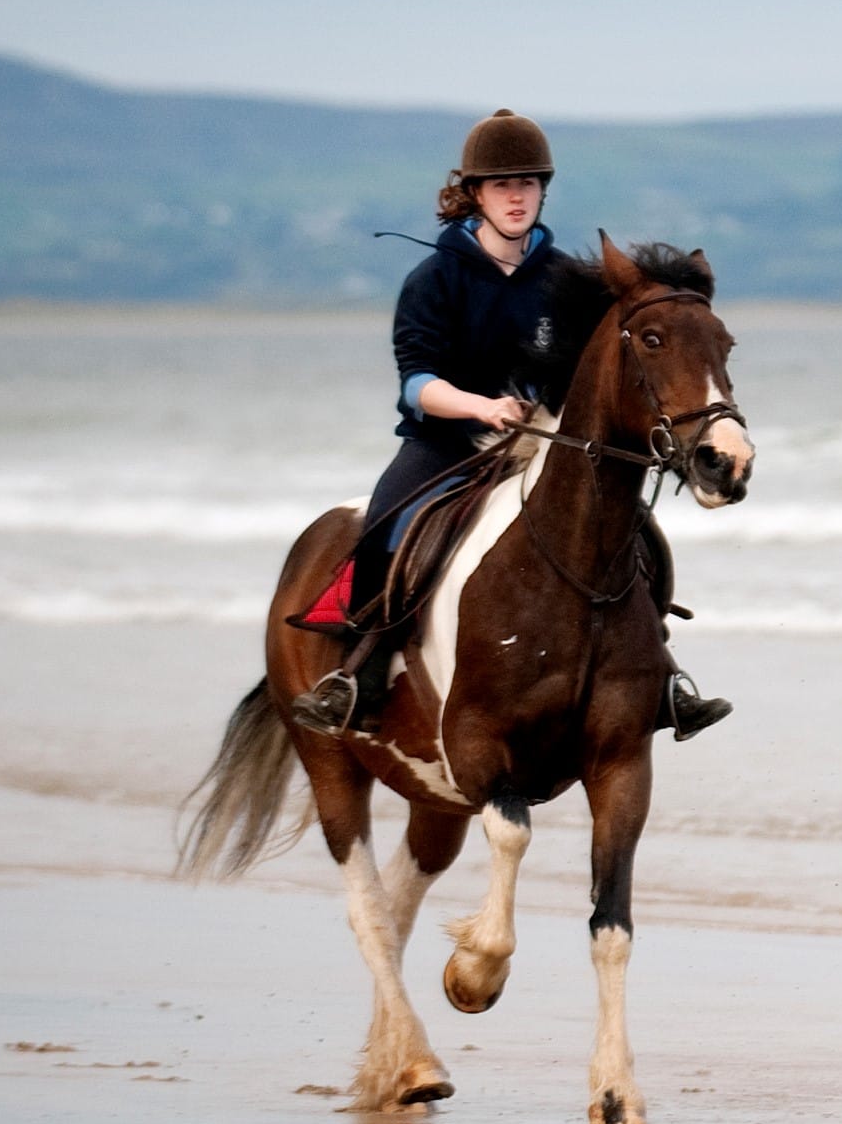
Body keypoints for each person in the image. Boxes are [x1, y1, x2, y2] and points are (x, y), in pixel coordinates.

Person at [288, 108, 731, 744]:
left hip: (546, 439)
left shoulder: (564, 280)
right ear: (475, 195)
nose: (516, 196)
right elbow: (416, 382)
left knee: (638, 532)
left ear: (543, 190)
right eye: (502, 185)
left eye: (528, 184)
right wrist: (482, 406)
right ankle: (359, 675)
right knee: (389, 519)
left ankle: (661, 674)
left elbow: (606, 367)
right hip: (448, 442)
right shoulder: (433, 278)